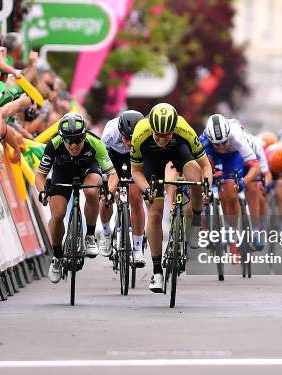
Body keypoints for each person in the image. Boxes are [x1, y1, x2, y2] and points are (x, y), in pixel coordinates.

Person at [130, 103, 212, 293]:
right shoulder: (140, 132)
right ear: (151, 129)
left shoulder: (184, 129)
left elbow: (206, 165)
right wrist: (146, 189)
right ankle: (157, 271)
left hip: (179, 153)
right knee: (155, 213)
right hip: (151, 161)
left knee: (195, 175)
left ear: (173, 130)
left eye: (166, 136)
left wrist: (206, 183)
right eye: (157, 135)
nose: (161, 140)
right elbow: (136, 171)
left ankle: (196, 222)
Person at [36, 112, 119, 283]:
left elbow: (112, 174)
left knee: (91, 190)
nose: (73, 145)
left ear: (84, 136)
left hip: (88, 170)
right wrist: (42, 191)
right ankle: (57, 256)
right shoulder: (53, 144)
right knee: (57, 216)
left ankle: (89, 235)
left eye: (77, 140)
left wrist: (109, 191)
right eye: (68, 140)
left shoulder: (95, 142)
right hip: (62, 173)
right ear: (62, 138)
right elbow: (40, 175)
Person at [98, 110, 146, 267]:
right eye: (126, 138)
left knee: (136, 198)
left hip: (134, 158)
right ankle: (106, 233)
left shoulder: (145, 133)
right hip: (112, 157)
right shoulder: (110, 132)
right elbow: (100, 159)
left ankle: (138, 249)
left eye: (133, 138)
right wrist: (106, 183)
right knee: (107, 197)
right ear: (120, 132)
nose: (129, 142)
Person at [201, 114, 261, 233]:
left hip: (233, 156)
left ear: (228, 136)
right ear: (210, 139)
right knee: (204, 171)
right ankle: (204, 213)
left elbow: (256, 166)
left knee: (231, 193)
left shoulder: (237, 137)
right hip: (212, 154)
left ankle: (232, 231)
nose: (221, 147)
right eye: (217, 144)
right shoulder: (203, 140)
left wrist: (244, 181)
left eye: (223, 142)